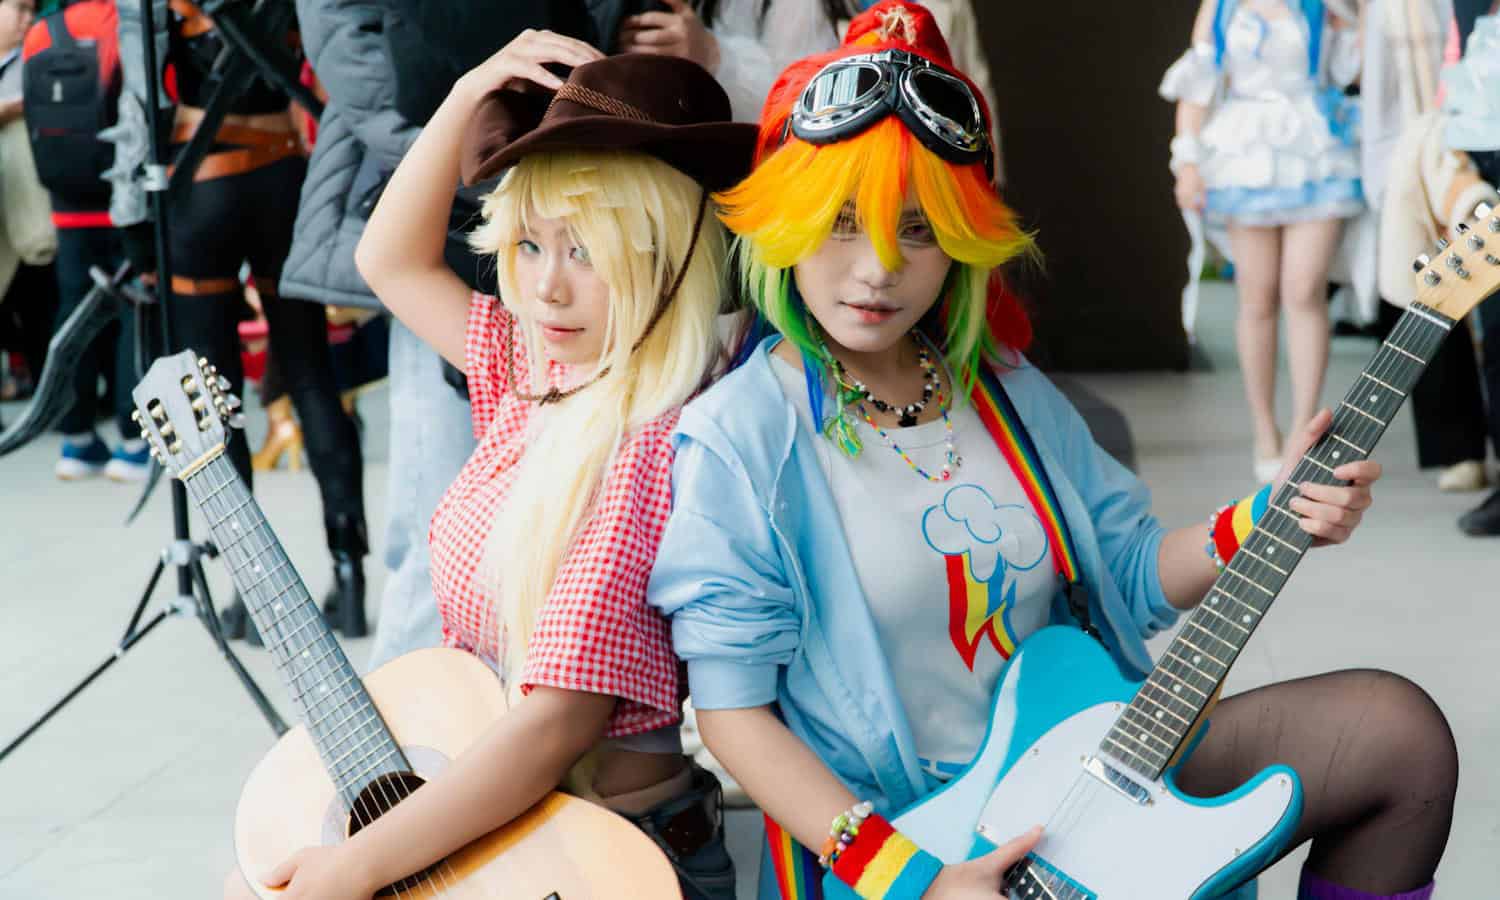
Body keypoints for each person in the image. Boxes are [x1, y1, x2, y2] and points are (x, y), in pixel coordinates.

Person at [648, 4, 1456, 899]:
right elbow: (733, 716)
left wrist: (1273, 512)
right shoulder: (740, 437)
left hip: (1082, 780)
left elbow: (1132, 572)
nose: (877, 268)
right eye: (843, 222)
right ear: (786, 222)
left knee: (1397, 739)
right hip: (911, 838)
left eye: (918, 230)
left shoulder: (1004, 392)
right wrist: (916, 880)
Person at [222, 33, 755, 900]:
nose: (546, 288)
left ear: (671, 254)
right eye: (531, 245)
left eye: (587, 251)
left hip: (613, 857)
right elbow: (387, 260)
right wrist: (468, 90)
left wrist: (357, 865)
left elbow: (554, 726)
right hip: (518, 824)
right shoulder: (542, 369)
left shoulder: (661, 439)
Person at [1163, 0, 1365, 482]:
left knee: (1305, 290)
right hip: (1245, 151)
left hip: (1315, 145)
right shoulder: (1219, 6)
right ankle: (1264, 428)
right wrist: (1187, 162)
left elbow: (1350, 69)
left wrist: (1354, 19)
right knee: (1257, 297)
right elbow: (1198, 86)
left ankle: (1303, 429)